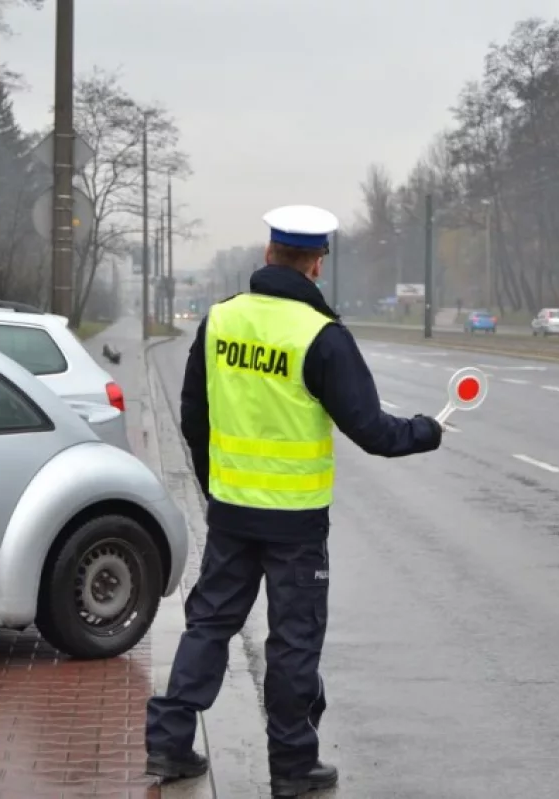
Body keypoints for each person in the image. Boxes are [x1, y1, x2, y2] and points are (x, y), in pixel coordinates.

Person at [145, 205, 444, 797]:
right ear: (316, 264)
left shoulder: (221, 320)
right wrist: (427, 431)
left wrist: (217, 484)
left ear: (267, 255)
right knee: (293, 642)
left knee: (208, 625)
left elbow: (192, 415)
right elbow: (371, 431)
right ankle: (291, 766)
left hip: (232, 512)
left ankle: (170, 743)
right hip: (296, 525)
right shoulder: (321, 336)